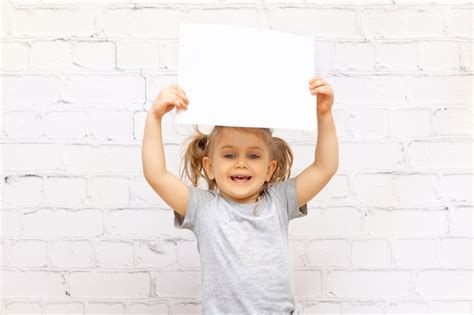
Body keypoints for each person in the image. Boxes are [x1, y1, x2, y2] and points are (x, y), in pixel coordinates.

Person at [142, 76, 339, 314]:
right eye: (229, 155)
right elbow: (157, 175)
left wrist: (324, 114)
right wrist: (154, 117)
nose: (241, 164)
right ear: (209, 167)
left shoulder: (279, 201)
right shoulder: (202, 208)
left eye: (253, 156)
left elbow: (324, 167)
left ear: (269, 169)